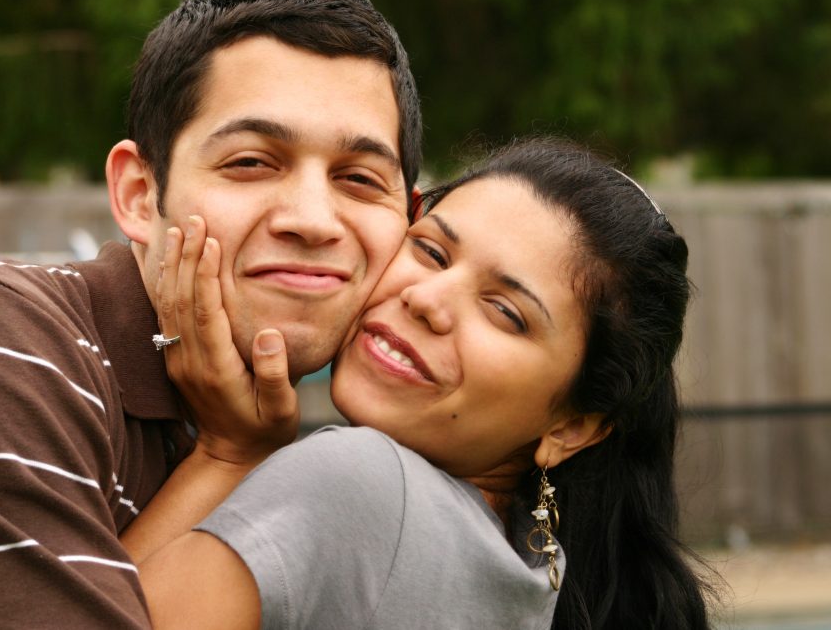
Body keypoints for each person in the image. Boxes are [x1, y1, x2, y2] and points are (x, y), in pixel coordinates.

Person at [0, 0, 421, 627]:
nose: (313, 218)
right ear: (137, 194)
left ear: (411, 222)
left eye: (359, 179)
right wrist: (229, 456)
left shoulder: (276, 428)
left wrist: (231, 451)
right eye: (250, 162)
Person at [122, 137, 714, 629]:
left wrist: (227, 453)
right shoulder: (536, 569)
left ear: (574, 427)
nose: (427, 299)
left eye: (505, 312)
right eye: (430, 251)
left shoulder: (361, 484)